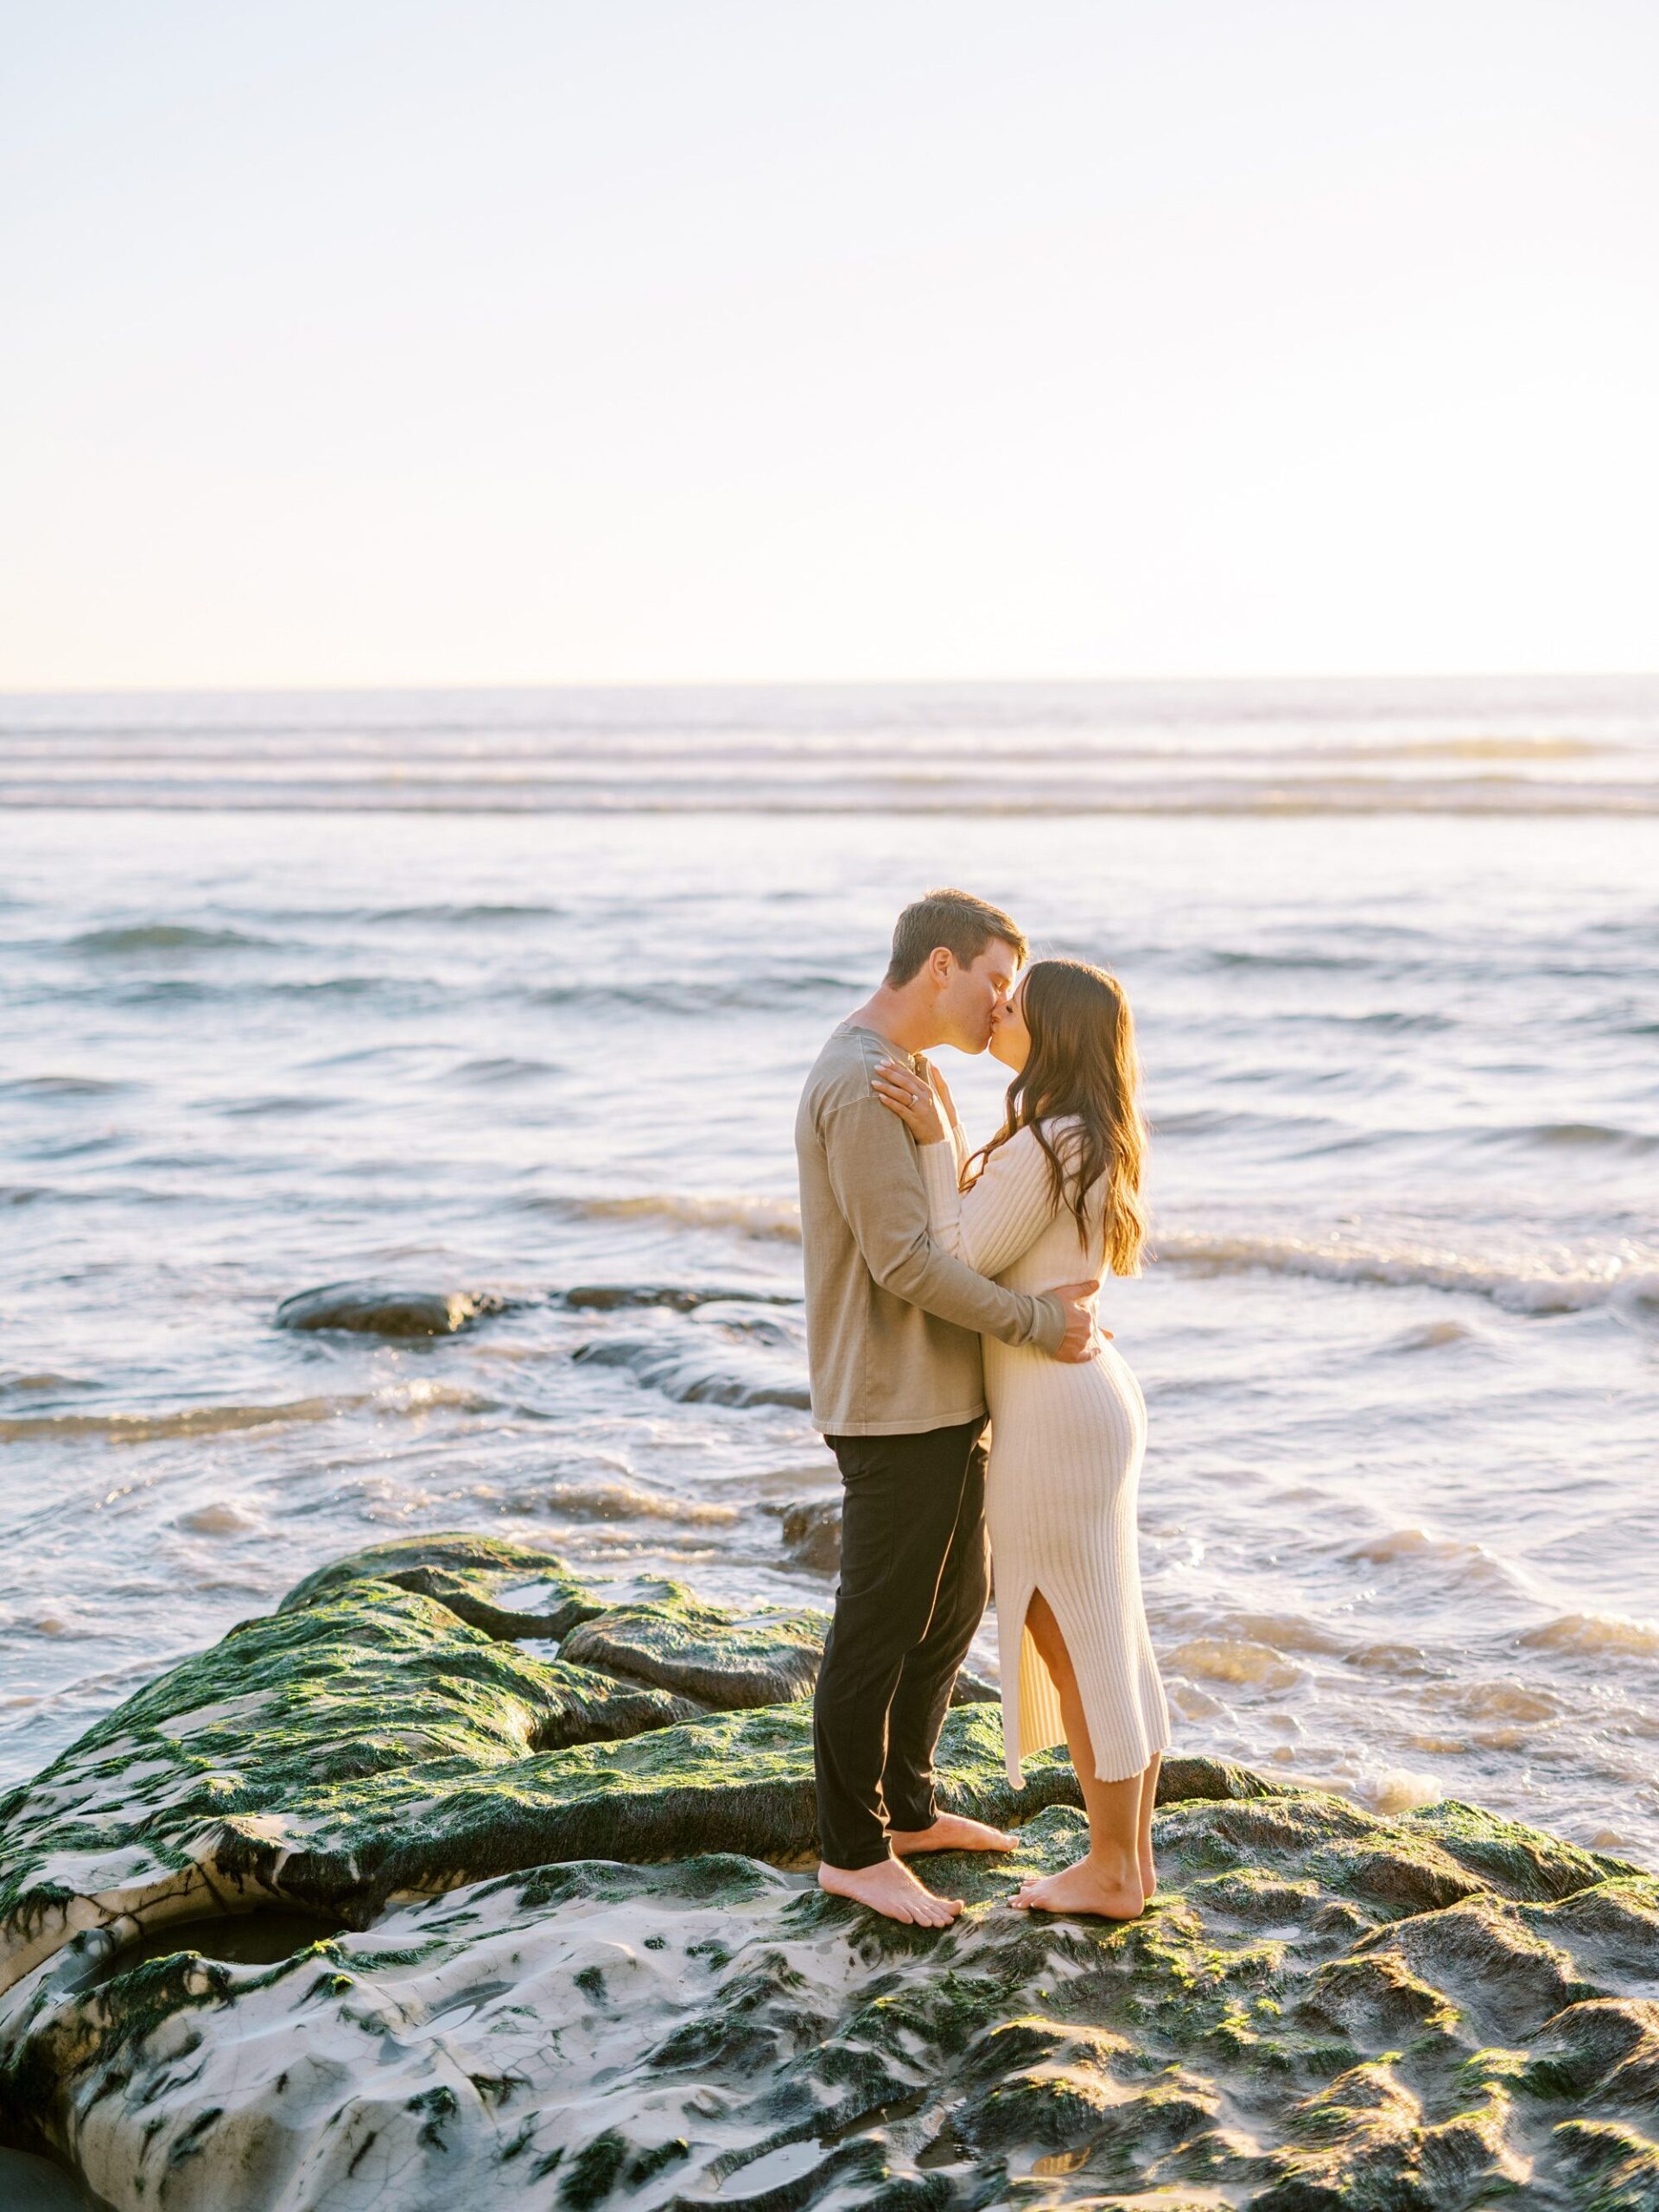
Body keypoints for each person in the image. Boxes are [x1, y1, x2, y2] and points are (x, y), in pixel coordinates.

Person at [795, 890, 1103, 1928]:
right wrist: (1031, 1322)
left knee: (950, 1608)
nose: (1003, 1005)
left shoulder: (919, 1077)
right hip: (891, 1400)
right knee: (877, 1626)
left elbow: (951, 1217)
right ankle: (851, 1848)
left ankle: (911, 1807)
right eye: (995, 982)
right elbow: (906, 1259)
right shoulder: (862, 1079)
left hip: (941, 1396)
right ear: (940, 966)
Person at [872, 956, 1170, 1918]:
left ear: (1053, 1034)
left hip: (1056, 1408)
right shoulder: (1083, 1132)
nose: (1000, 1007)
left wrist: (929, 1139)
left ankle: (1113, 1868)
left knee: (1074, 1634)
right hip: (1086, 1395)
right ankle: (1128, 1859)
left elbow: (952, 1256)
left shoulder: (1047, 1142)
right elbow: (1007, 1250)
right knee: (1106, 1631)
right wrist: (957, 1132)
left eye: (1019, 1003)